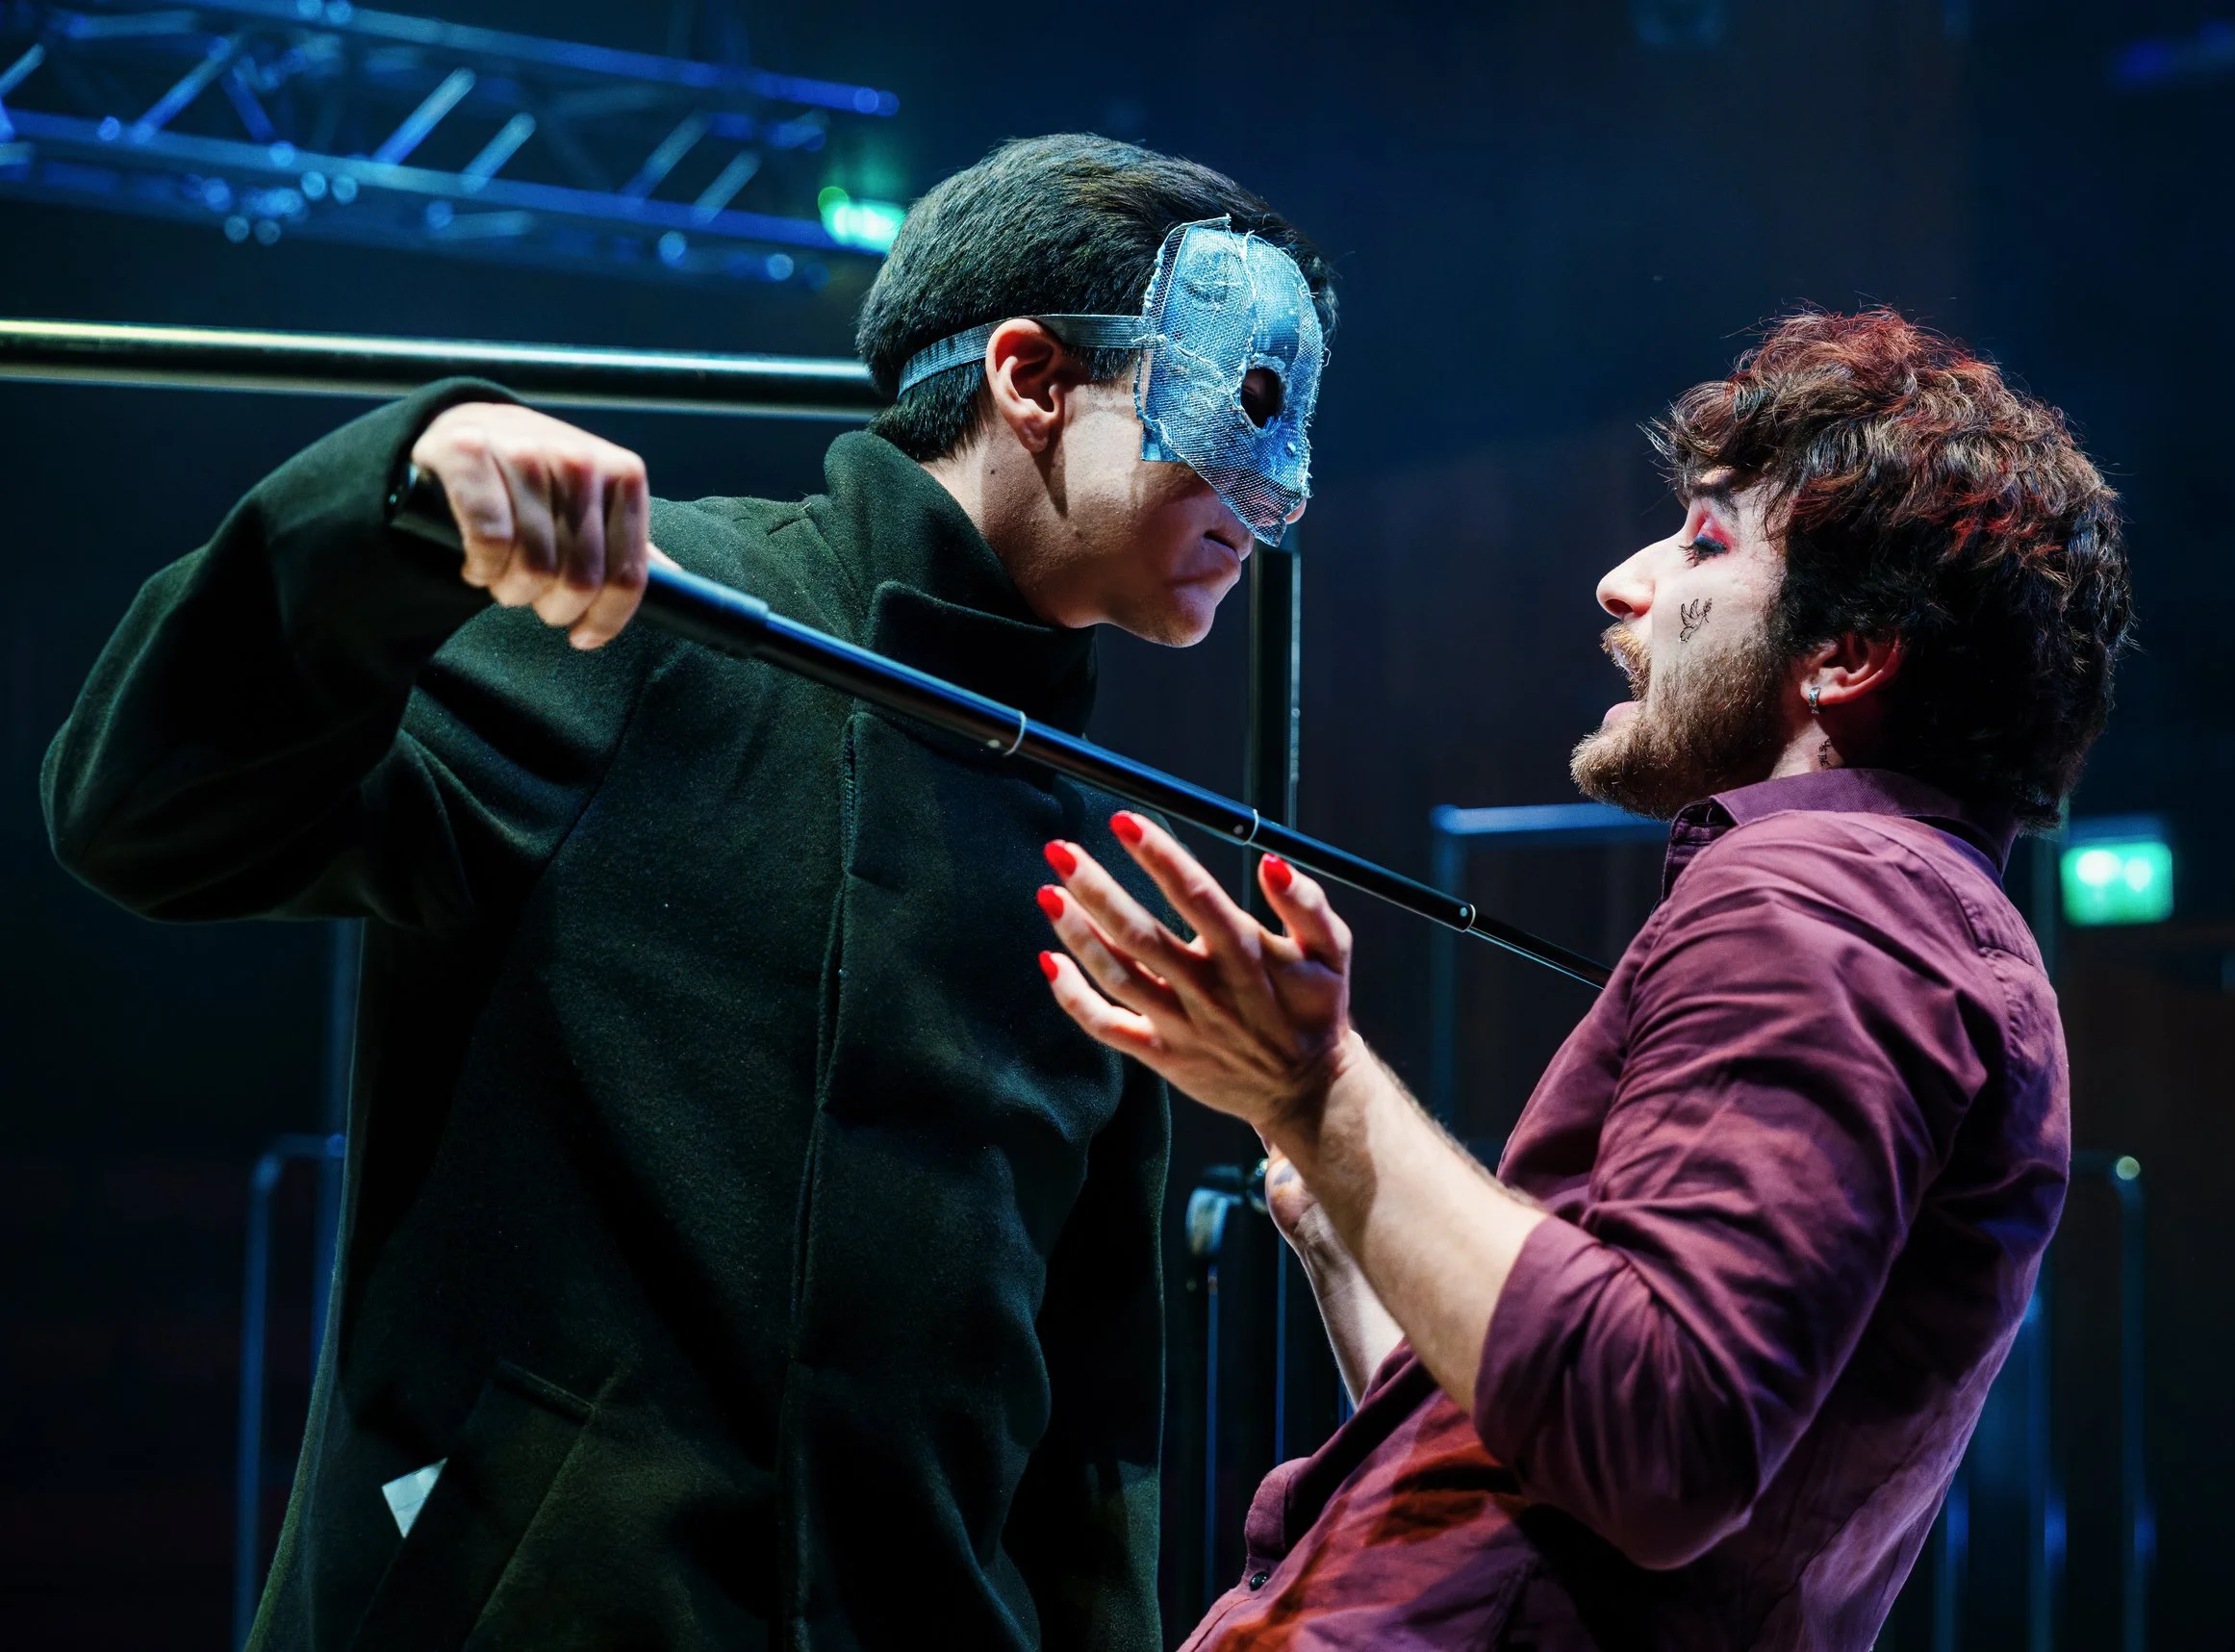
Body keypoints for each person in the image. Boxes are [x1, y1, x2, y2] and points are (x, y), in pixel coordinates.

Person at [41, 134, 1333, 1651]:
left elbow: (1089, 1426)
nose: (1284, 484)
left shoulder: (1106, 856)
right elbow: (141, 813)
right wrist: (392, 497)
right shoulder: (637, 630)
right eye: (1246, 399)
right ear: (1031, 377)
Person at [1032, 309, 2133, 1649]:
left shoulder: (1829, 902)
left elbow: (1660, 1442)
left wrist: (1324, 1096)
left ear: (1848, 655)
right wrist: (1341, 1204)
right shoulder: (1911, 920)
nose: (1624, 581)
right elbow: (1538, 1472)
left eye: (1705, 544)